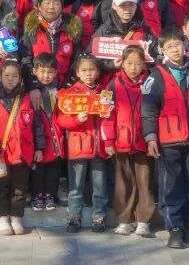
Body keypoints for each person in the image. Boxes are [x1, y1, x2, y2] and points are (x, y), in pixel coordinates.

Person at [142, 31, 189, 249]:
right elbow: (148, 110)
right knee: (170, 186)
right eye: (169, 47)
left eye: (177, 45)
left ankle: (188, 225)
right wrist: (150, 137)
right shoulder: (155, 75)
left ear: (184, 45)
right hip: (168, 141)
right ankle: (175, 229)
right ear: (162, 50)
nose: (175, 50)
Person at [102, 46, 156, 239]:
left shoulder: (151, 82)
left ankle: (143, 222)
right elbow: (107, 114)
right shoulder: (112, 84)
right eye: (129, 63)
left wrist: (153, 137)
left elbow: (156, 111)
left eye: (138, 64)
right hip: (121, 141)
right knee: (123, 183)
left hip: (144, 142)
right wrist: (108, 140)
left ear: (144, 64)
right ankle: (124, 221)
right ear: (122, 63)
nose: (134, 68)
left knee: (145, 182)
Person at [0, 60, 44, 236]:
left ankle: (16, 216)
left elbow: (37, 124)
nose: (10, 79)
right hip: (0, 153)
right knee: (0, 187)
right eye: (7, 75)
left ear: (20, 78)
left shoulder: (27, 98)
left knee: (20, 187)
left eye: (15, 76)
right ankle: (2, 217)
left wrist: (39, 148)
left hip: (23, 152)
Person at [57, 56, 110, 234]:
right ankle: (74, 217)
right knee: (75, 186)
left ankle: (99, 217)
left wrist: (109, 140)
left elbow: (110, 118)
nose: (88, 74)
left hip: (99, 146)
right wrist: (76, 120)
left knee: (100, 186)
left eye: (92, 70)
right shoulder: (70, 93)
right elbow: (61, 120)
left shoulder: (104, 93)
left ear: (98, 72)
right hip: (78, 146)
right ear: (77, 73)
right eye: (84, 71)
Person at [90, 0, 158, 78]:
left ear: (136, 5)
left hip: (140, 82)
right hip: (112, 83)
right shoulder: (104, 31)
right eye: (123, 5)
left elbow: (157, 57)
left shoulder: (146, 31)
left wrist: (143, 65)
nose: (127, 9)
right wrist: (110, 64)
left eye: (131, 5)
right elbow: (89, 59)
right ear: (114, 5)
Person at [20, 0, 82, 87]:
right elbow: (26, 59)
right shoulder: (31, 29)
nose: (51, 7)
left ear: (62, 7)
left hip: (64, 85)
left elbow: (77, 59)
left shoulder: (71, 28)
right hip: (38, 85)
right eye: (47, 3)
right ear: (39, 6)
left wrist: (67, 84)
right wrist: (33, 86)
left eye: (56, 3)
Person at [29, 54, 65, 212]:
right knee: (38, 169)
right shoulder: (32, 92)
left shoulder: (60, 90)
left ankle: (50, 195)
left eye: (50, 72)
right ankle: (37, 195)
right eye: (42, 71)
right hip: (39, 138)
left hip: (55, 137)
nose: (46, 75)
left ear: (56, 73)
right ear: (34, 71)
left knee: (53, 169)